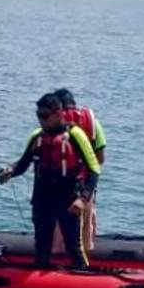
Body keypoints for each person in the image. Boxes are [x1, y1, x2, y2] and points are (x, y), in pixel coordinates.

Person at [0, 93, 100, 270]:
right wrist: (10, 172)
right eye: (38, 115)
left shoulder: (75, 135)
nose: (41, 120)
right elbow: (23, 164)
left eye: (45, 116)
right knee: (42, 246)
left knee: (73, 246)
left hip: (67, 200)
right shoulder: (37, 136)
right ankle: (41, 279)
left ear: (58, 113)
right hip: (42, 199)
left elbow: (94, 170)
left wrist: (82, 199)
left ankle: (83, 277)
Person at [52, 88, 106, 252]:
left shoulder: (54, 123)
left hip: (59, 187)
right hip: (86, 187)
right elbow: (100, 158)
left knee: (58, 232)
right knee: (86, 228)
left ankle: (57, 267)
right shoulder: (92, 121)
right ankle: (86, 266)